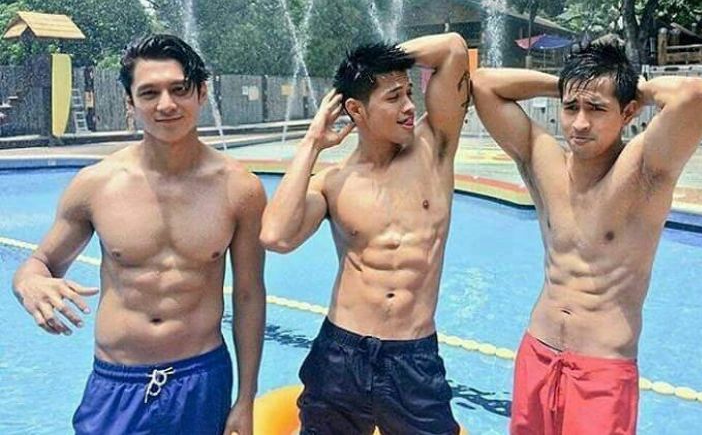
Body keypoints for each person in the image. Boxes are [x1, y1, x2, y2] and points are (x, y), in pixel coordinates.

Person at [12, 34, 266, 435]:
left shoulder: (240, 189)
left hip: (201, 379)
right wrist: (29, 284)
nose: (166, 104)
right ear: (130, 105)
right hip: (118, 382)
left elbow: (249, 295)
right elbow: (40, 263)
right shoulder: (96, 185)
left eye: (179, 89)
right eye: (149, 93)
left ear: (201, 93)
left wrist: (246, 397)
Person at [472, 36, 702, 434]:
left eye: (597, 109)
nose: (580, 123)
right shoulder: (543, 159)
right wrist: (572, 84)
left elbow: (695, 94)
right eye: (571, 108)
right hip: (537, 353)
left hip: (602, 370)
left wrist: (625, 86)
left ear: (628, 111)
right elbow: (484, 84)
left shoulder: (643, 170)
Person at [260, 33, 470, 434]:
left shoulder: (434, 148)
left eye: (409, 93)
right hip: (341, 353)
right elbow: (276, 236)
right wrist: (312, 143)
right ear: (356, 109)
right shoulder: (333, 182)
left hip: (413, 356)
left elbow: (454, 49)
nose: (409, 106)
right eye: (393, 97)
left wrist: (375, 61)